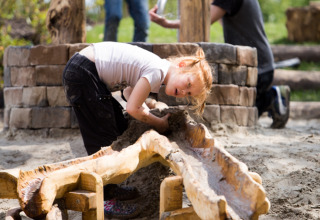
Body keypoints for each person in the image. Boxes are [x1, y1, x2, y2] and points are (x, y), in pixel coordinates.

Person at [62, 42, 212, 218]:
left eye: (189, 94)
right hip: (84, 72)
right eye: (188, 84)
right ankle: (104, 200)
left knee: (118, 128)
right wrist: (159, 123)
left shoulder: (157, 68)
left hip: (85, 70)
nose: (184, 92)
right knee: (104, 137)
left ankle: (110, 190)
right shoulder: (157, 71)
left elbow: (127, 94)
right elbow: (133, 108)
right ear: (182, 66)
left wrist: (147, 104)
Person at [149, 0, 291, 129]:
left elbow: (202, 21)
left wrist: (167, 23)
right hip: (263, 66)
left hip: (258, 70)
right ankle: (269, 97)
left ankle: (272, 96)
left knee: (240, 120)